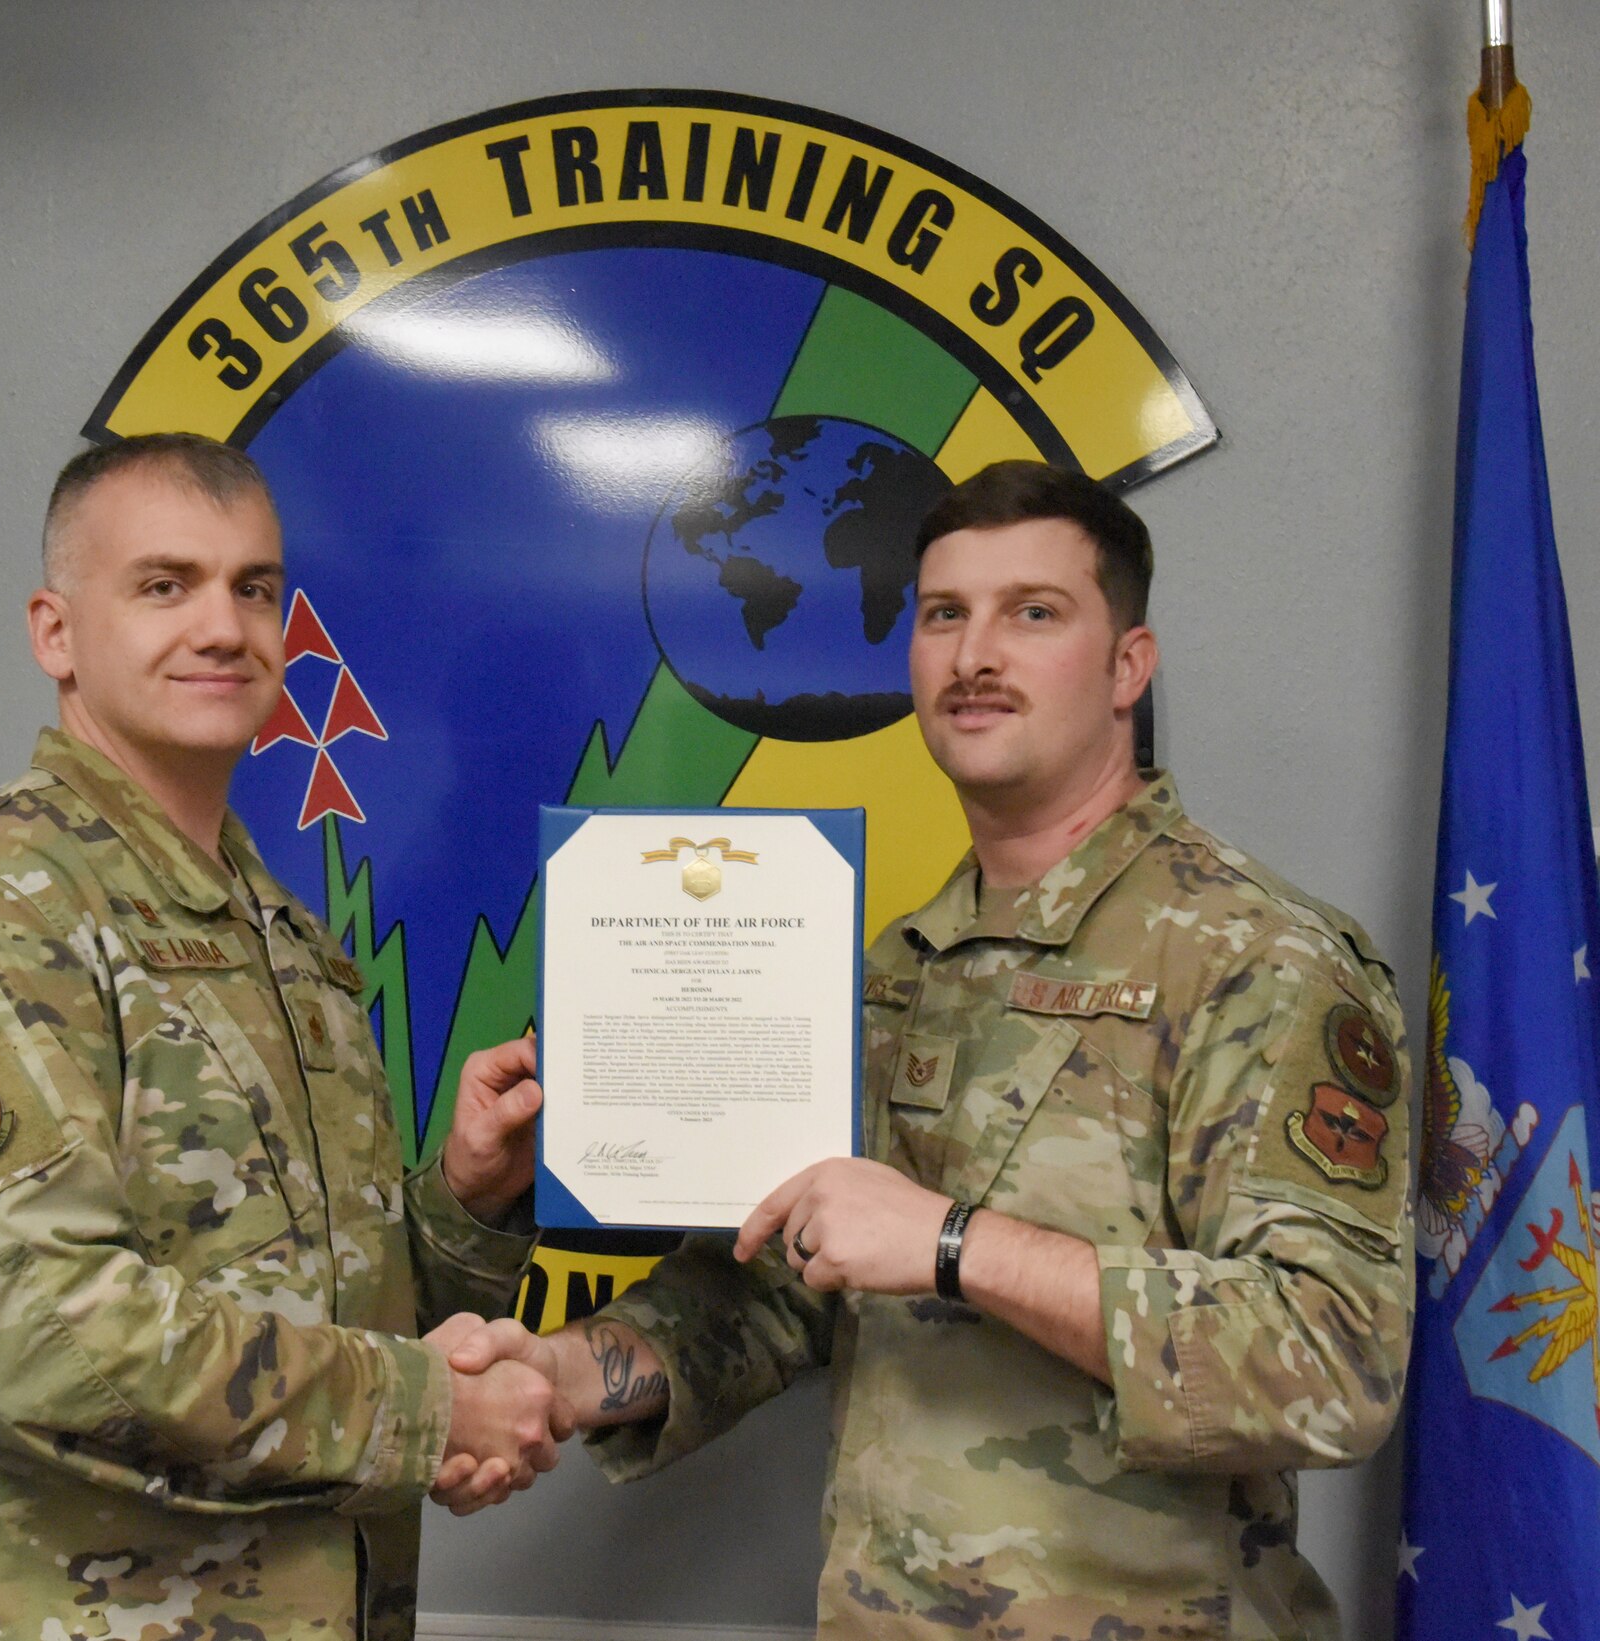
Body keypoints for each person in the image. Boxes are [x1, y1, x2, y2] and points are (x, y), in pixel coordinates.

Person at [445, 461, 1415, 1637]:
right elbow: (774, 1299)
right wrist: (559, 1380)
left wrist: (953, 1243)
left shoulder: (1255, 959)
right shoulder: (897, 971)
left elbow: (1327, 1361)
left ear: (1127, 668)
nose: (973, 656)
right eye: (943, 614)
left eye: (1033, 613)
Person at [0, 432, 567, 1641]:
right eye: (165, 586)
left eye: (252, 588)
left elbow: (301, 1304)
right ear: (55, 631)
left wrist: (464, 1205)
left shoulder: (280, 939)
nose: (223, 628)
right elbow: (41, 1333)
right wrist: (428, 1411)